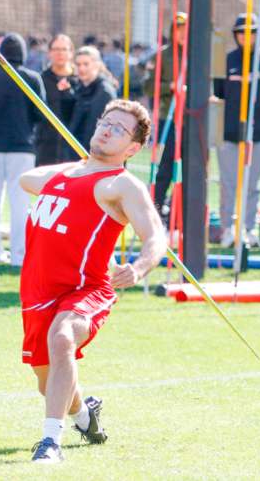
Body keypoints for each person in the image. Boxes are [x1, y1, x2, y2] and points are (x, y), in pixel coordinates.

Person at [19, 99, 165, 464]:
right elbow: (27, 180)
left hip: (87, 288)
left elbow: (156, 236)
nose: (107, 129)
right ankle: (85, 416)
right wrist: (84, 166)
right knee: (46, 381)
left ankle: (50, 442)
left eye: (120, 129)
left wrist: (140, 267)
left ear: (133, 149)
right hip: (38, 290)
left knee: (63, 336)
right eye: (106, 121)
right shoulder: (64, 175)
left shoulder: (122, 185)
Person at [0, 32, 44, 266]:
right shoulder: (32, 79)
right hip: (22, 148)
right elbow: (40, 114)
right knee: (21, 203)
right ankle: (20, 256)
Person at [212, 12, 260, 248]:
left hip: (257, 135)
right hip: (228, 133)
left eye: (250, 32)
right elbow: (217, 95)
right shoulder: (227, 61)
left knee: (251, 184)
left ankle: (249, 229)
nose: (245, 37)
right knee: (228, 183)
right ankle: (228, 229)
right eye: (241, 32)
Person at [143, 12, 186, 216]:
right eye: (179, 29)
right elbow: (148, 87)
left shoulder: (197, 55)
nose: (183, 33)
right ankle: (156, 214)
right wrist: (169, 86)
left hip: (192, 120)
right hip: (167, 118)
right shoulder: (162, 55)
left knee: (189, 173)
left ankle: (180, 218)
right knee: (164, 169)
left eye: (186, 29)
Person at [37, 34, 79, 166]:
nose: (60, 53)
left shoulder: (80, 80)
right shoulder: (41, 79)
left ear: (71, 53)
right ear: (49, 53)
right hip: (45, 147)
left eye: (64, 49)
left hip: (73, 148)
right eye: (56, 49)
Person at [68, 46, 117, 157]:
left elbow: (95, 130)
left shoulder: (104, 92)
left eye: (86, 64)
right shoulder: (79, 88)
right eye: (78, 64)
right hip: (76, 156)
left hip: (92, 158)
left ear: (96, 65)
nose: (81, 68)